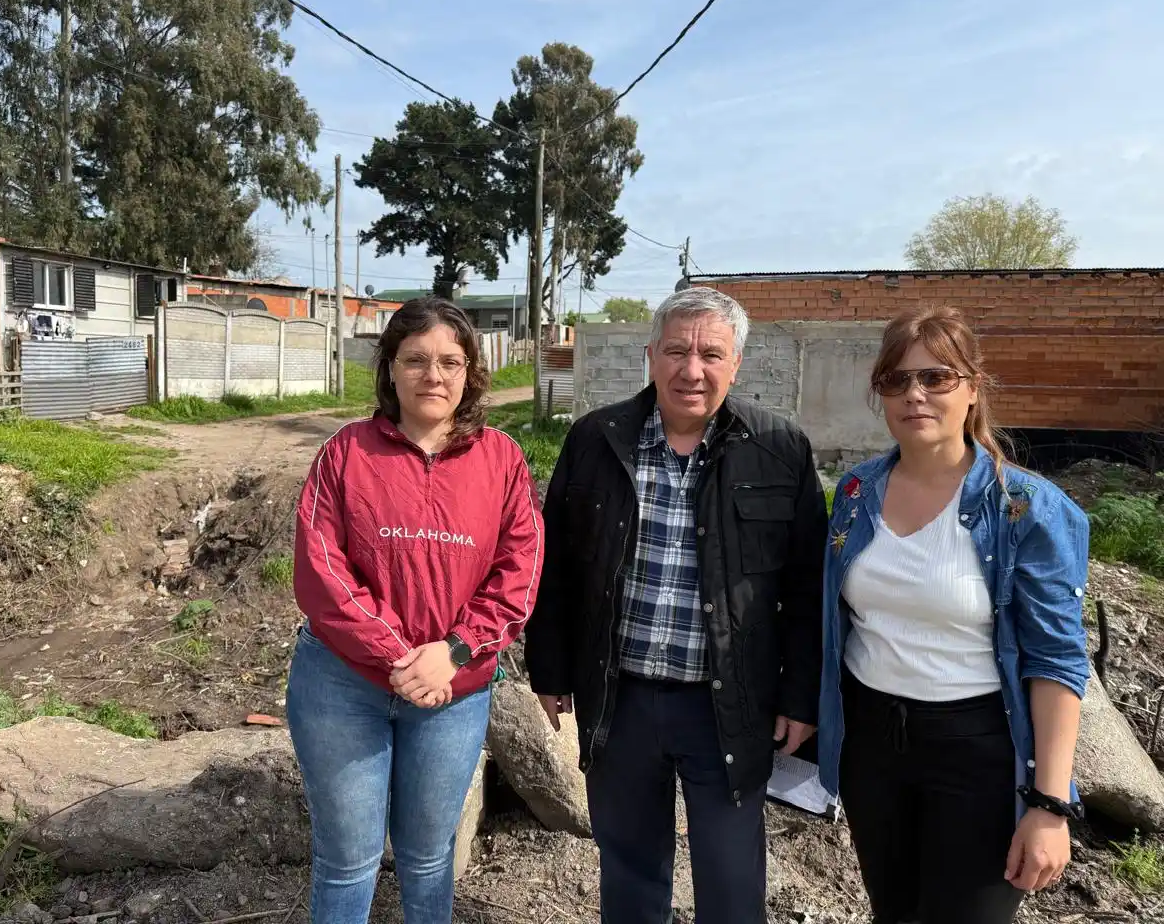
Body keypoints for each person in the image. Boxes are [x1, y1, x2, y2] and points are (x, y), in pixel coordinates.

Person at [525, 286, 828, 923]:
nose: (693, 370)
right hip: (621, 697)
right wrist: (549, 669)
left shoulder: (779, 451)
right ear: (651, 357)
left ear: (736, 364)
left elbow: (806, 589)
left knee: (730, 874)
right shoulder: (597, 440)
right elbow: (558, 565)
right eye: (676, 351)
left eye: (711, 354)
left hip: (730, 704)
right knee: (630, 867)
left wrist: (801, 697)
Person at [817, 306, 1089, 924]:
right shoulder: (856, 494)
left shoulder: (1027, 509)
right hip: (873, 747)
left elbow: (1056, 662)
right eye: (896, 380)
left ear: (972, 388)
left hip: (978, 755)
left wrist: (1049, 804)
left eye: (935, 378)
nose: (914, 394)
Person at [287, 297, 543, 924]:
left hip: (453, 693)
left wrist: (451, 653)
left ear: (471, 373)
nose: (434, 375)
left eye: (450, 362)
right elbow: (320, 569)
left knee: (429, 857)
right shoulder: (346, 454)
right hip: (342, 686)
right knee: (348, 859)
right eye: (417, 360)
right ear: (391, 369)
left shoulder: (502, 460)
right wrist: (400, 657)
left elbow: (520, 572)